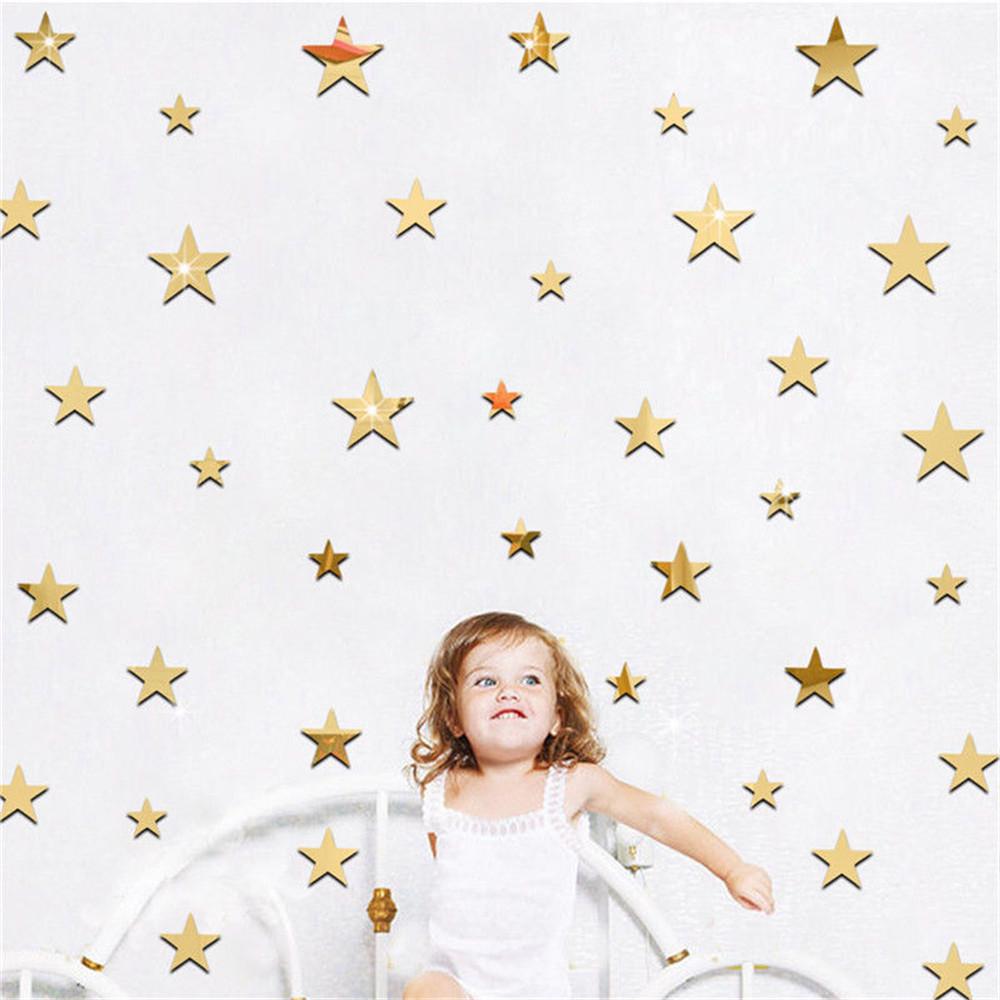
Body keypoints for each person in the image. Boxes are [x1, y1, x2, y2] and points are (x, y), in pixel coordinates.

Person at [402, 611, 774, 1000]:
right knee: (426, 989)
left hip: (536, 990)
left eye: (530, 680)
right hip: (455, 981)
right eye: (486, 681)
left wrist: (731, 868)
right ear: (454, 717)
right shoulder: (441, 790)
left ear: (557, 718)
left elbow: (657, 817)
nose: (508, 692)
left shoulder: (571, 783)